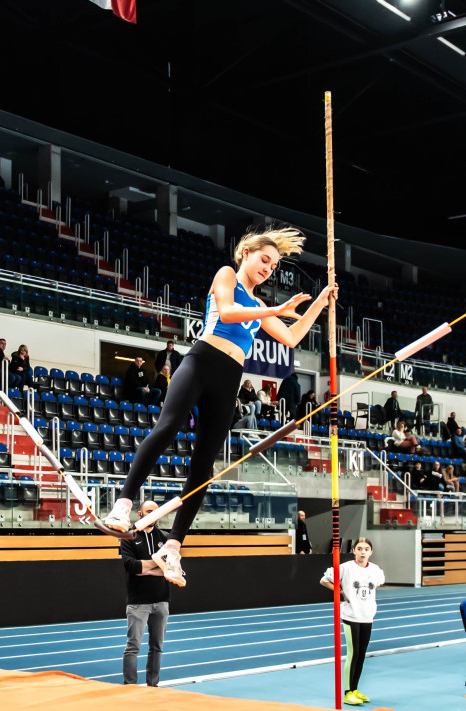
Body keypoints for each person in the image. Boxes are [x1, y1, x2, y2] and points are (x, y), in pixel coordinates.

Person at [101, 228, 336, 587]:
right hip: (200, 362)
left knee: (204, 466)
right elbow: (226, 313)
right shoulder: (227, 276)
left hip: (229, 380)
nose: (268, 269)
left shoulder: (258, 306)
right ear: (246, 254)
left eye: (273, 266)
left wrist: (319, 303)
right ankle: (123, 503)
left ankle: (173, 548)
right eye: (264, 260)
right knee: (167, 428)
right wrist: (273, 308)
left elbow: (291, 337)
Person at [320, 538, 384, 706]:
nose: (363, 552)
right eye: (359, 548)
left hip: (367, 615)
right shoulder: (345, 568)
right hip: (351, 616)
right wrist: (341, 591)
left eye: (366, 549)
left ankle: (355, 689)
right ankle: (348, 693)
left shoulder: (376, 570)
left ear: (371, 552)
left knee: (362, 654)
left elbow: (377, 584)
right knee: (353, 653)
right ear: (354, 551)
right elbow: (324, 580)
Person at [121, 501, 171, 687]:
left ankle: (153, 686)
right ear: (140, 514)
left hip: (161, 600)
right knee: (133, 647)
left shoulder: (166, 538)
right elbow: (131, 566)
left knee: (157, 647)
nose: (153, 514)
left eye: (156, 512)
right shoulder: (129, 537)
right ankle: (131, 687)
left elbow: (169, 568)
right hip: (138, 602)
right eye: (149, 511)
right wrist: (157, 562)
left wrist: (146, 567)